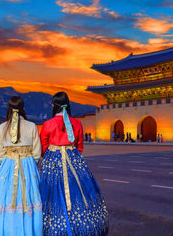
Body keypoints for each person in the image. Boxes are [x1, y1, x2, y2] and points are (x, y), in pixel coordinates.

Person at [39, 92, 108, 236]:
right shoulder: (76, 123)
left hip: (53, 159)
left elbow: (43, 145)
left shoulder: (48, 124)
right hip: (73, 158)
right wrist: (74, 156)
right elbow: (79, 145)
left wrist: (48, 156)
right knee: (81, 191)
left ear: (54, 105)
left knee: (51, 193)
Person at [0, 96, 42, 236]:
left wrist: (8, 161)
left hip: (7, 165)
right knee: (29, 199)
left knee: (3, 199)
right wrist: (27, 161)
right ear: (23, 108)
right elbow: (37, 153)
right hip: (27, 166)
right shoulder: (31, 126)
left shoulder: (1, 127)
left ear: (8, 109)